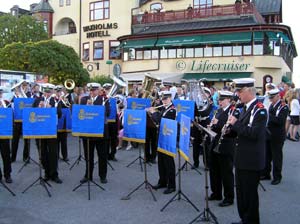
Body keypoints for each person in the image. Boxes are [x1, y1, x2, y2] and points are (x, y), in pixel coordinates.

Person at [228, 78, 267, 224]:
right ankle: (244, 219)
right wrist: (229, 131)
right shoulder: (245, 107)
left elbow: (254, 134)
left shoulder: (260, 109)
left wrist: (236, 124)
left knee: (250, 194)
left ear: (248, 91)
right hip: (242, 158)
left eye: (239, 91)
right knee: (241, 192)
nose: (237, 95)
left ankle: (251, 221)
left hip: (251, 160)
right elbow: (240, 132)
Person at [209, 90, 239, 207]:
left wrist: (218, 123)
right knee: (214, 170)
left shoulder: (234, 111)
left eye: (222, 100)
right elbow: (216, 127)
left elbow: (231, 129)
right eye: (219, 100)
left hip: (227, 145)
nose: (219, 102)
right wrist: (211, 126)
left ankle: (229, 197)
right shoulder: (219, 110)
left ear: (229, 100)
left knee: (226, 172)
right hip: (216, 143)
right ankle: (216, 193)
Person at [79, 83, 110, 184]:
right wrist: (87, 107)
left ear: (98, 91)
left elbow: (107, 113)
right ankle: (88, 175)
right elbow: (79, 114)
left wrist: (94, 108)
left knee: (102, 155)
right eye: (90, 90)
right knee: (88, 156)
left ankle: (103, 175)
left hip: (100, 132)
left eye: (94, 90)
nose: (91, 92)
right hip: (88, 132)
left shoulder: (104, 100)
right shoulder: (84, 100)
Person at [33, 84, 63, 184]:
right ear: (43, 91)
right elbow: (31, 114)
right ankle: (46, 173)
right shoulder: (37, 100)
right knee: (43, 152)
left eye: (49, 91)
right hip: (40, 130)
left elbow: (60, 114)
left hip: (51, 130)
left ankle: (54, 174)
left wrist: (51, 109)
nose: (47, 93)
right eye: (45, 91)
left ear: (52, 92)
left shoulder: (55, 100)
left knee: (53, 153)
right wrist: (38, 107)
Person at [150, 91, 177, 194]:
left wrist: (154, 113)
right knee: (161, 161)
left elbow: (161, 121)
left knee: (168, 162)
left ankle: (171, 185)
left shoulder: (172, 110)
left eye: (166, 98)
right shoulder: (164, 109)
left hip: (168, 139)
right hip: (161, 137)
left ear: (171, 99)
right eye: (163, 98)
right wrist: (151, 113)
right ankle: (162, 181)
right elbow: (156, 120)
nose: (164, 100)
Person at [261, 88, 289, 185]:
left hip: (277, 135)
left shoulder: (283, 106)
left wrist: (267, 116)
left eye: (272, 97)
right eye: (270, 98)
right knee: (267, 156)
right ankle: (266, 174)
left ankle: (277, 176)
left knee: (277, 157)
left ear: (278, 96)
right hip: (268, 134)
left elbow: (280, 121)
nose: (270, 99)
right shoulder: (272, 105)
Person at [10, 80, 31, 163]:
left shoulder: (29, 95)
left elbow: (30, 104)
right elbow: (10, 107)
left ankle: (26, 157)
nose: (23, 87)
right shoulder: (14, 97)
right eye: (22, 86)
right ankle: (13, 157)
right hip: (16, 121)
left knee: (27, 140)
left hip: (26, 120)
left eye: (25, 86)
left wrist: (23, 94)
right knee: (15, 140)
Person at [0, 88, 12, 183]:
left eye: (0, 93)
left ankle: (7, 175)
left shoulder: (6, 102)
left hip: (4, 133)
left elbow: (10, 115)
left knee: (6, 155)